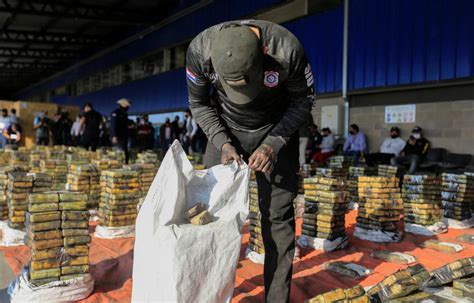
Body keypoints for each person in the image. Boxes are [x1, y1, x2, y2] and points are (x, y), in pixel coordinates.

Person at [186, 20, 314, 302]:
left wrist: (273, 145)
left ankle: (276, 299)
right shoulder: (199, 52)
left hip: (277, 128)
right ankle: (206, 295)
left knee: (277, 219)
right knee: (206, 214)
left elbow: (303, 101)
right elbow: (199, 104)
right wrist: (222, 142)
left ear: (263, 53)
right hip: (226, 130)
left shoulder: (286, 49)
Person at [110, 98, 131, 163]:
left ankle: (125, 164)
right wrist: (114, 136)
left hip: (124, 136)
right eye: (126, 105)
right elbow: (114, 125)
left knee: (125, 152)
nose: (128, 107)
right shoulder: (115, 113)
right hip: (118, 136)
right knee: (119, 153)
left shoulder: (124, 114)